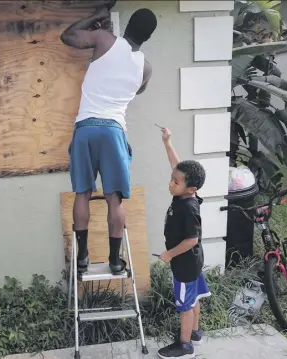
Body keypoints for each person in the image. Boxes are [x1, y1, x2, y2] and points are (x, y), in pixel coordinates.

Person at [60, 5, 157, 274]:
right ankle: (115, 261)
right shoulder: (146, 68)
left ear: (126, 26)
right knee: (115, 200)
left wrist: (96, 20)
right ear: (147, 37)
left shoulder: (104, 39)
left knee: (83, 193)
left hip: (86, 128)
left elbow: (68, 36)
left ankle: (82, 258)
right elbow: (136, 91)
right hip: (114, 130)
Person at [158, 127, 211, 359]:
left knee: (184, 305)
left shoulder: (188, 207)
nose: (171, 183)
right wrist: (167, 142)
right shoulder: (185, 193)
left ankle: (185, 344)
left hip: (184, 263)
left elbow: (191, 239)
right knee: (194, 297)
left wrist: (169, 254)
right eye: (172, 179)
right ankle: (195, 332)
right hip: (193, 262)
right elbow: (177, 166)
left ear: (191, 189)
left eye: (175, 182)